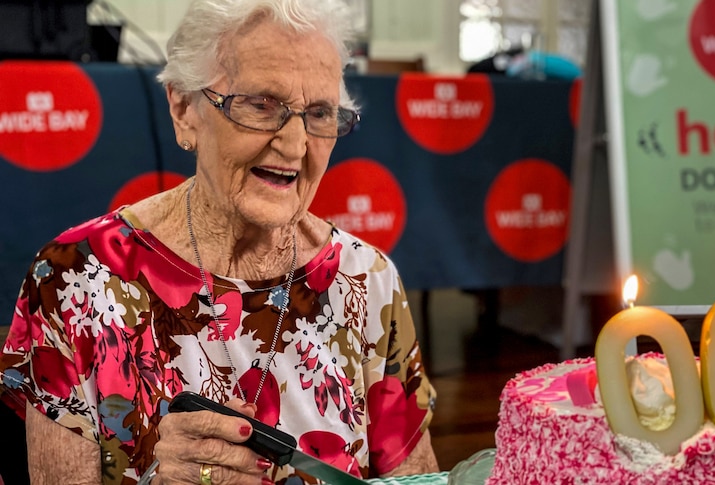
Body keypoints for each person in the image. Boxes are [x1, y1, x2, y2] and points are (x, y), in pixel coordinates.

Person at [0, 0, 439, 483]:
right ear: (185, 108)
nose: (295, 146)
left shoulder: (367, 280)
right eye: (261, 104)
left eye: (319, 113)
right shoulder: (74, 279)